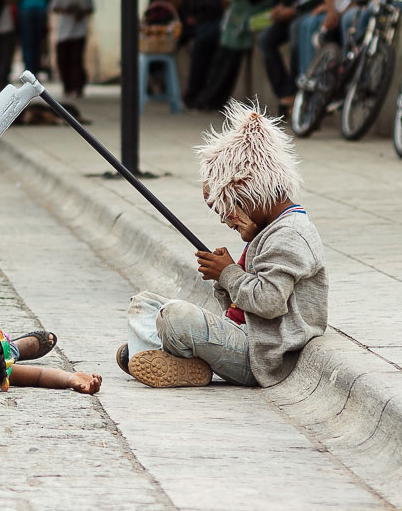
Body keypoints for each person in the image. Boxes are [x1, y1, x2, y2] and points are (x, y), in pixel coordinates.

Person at [118, 101, 326, 388]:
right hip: (242, 335)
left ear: (248, 192)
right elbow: (237, 305)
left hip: (260, 355)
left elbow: (269, 302)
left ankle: (150, 353)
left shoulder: (291, 234)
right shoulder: (269, 231)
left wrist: (228, 273)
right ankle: (164, 360)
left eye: (226, 209)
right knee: (144, 304)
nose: (225, 221)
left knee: (175, 316)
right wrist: (223, 279)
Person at [192, 0, 285, 112]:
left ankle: (210, 99)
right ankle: (209, 98)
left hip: (246, 25)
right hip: (252, 22)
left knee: (224, 65)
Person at [180, 0, 223, 107]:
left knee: (202, 42)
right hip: (196, 26)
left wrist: (199, 17)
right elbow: (187, 6)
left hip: (210, 23)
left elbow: (215, 6)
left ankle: (195, 92)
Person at [51, 0, 95, 99]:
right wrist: (67, 10)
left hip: (79, 32)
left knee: (76, 60)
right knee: (63, 60)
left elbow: (90, 8)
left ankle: (78, 86)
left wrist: (81, 12)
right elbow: (54, 7)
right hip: (64, 32)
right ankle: (67, 86)